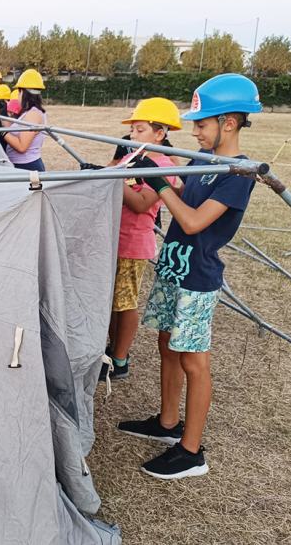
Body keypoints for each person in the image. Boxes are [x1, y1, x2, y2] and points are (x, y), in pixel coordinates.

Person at [118, 74, 263, 480]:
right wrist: (150, 173)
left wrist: (160, 182)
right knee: (167, 343)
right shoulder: (202, 160)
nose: (195, 130)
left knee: (193, 360)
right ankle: (167, 424)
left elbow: (194, 221)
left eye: (201, 124)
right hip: (174, 264)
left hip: (197, 277)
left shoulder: (238, 174)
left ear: (229, 123)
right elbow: (181, 194)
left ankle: (191, 450)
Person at [98, 98, 182, 382]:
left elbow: (141, 203)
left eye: (140, 129)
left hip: (134, 244)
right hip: (114, 239)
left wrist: (114, 180)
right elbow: (116, 177)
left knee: (126, 303)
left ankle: (120, 359)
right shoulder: (132, 157)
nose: (133, 135)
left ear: (160, 133)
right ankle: (110, 350)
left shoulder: (162, 165)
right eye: (133, 130)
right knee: (111, 301)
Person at [2, 69, 47, 171]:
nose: (18, 96)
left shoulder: (33, 114)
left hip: (27, 166)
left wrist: (2, 131)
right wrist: (0, 116)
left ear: (23, 92)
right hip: (22, 165)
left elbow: (22, 147)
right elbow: (12, 131)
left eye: (18, 92)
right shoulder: (29, 112)